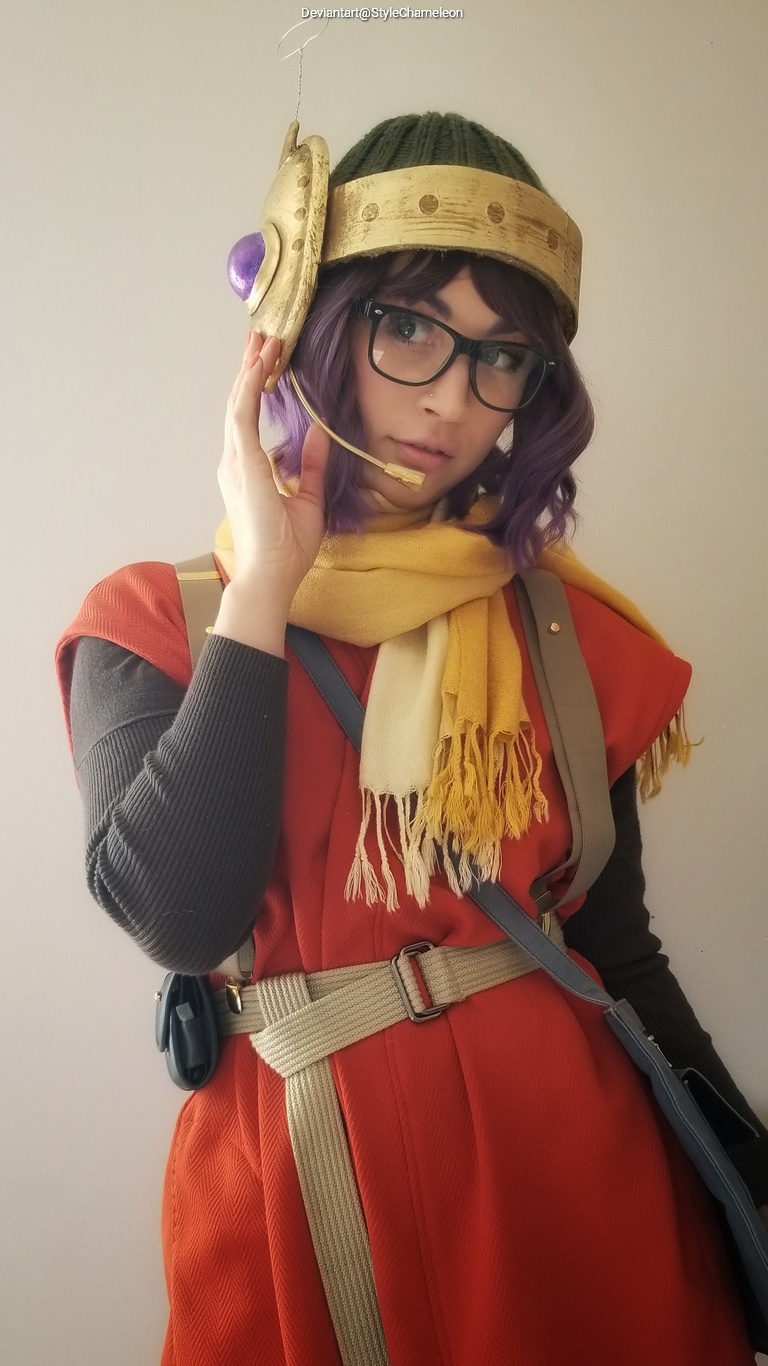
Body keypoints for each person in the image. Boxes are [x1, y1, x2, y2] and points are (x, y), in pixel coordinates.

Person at [56, 112, 768, 1365]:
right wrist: (265, 587)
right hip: (301, 1212)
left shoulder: (567, 635)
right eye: (410, 327)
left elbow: (618, 953)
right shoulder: (156, 624)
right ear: (311, 328)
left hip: (577, 1207)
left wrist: (750, 1184)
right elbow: (178, 912)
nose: (453, 398)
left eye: (506, 358)